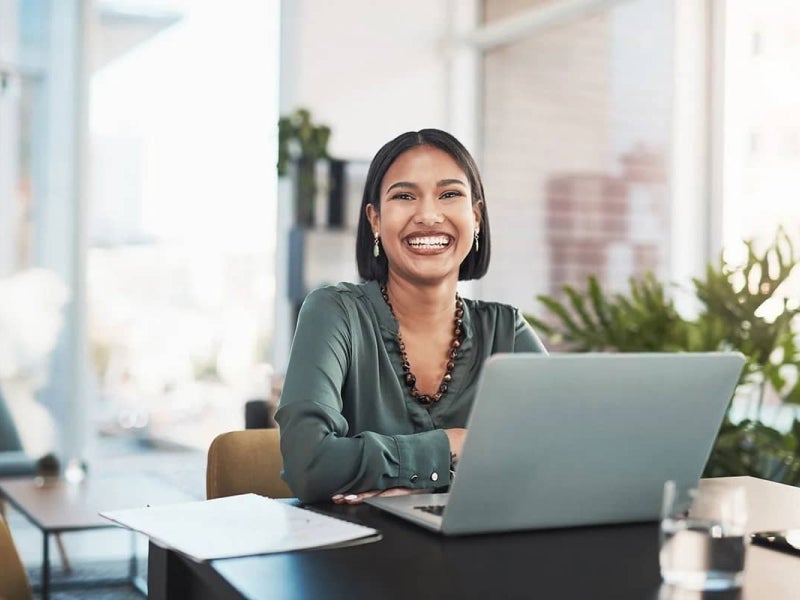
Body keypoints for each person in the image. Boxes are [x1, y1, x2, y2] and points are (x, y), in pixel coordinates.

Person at [276, 129, 546, 504]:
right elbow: (310, 465)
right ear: (374, 219)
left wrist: (412, 476)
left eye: (449, 194)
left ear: (476, 216)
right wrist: (453, 443)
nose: (429, 215)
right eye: (404, 196)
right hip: (354, 557)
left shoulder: (506, 332)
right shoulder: (333, 313)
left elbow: (559, 455)